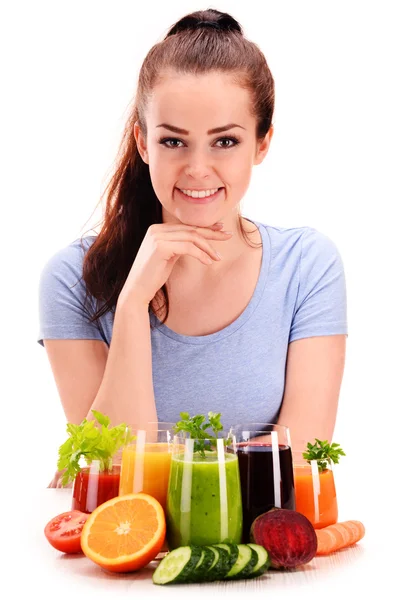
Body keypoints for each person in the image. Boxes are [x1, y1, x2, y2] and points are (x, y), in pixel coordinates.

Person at [38, 8, 348, 488]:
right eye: (173, 141)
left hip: (261, 557)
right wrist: (133, 302)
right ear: (143, 143)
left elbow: (300, 464)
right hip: (130, 555)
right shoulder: (72, 277)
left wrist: (173, 468)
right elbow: (115, 478)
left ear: (262, 144)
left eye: (225, 140)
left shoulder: (306, 266)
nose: (198, 169)